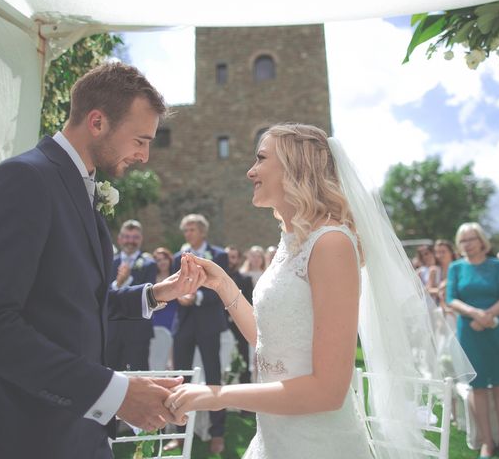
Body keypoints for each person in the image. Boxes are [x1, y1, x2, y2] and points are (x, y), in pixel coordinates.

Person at [163, 123, 473, 459]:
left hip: (317, 443)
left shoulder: (331, 243)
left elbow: (328, 391)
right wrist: (222, 284)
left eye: (261, 158)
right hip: (275, 436)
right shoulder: (291, 242)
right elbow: (270, 340)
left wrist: (216, 394)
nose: (251, 170)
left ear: (295, 166)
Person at [0, 62, 202, 458]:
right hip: (26, 433)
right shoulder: (24, 180)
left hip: (80, 433)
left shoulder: (79, 185)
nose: (145, 156)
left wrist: (152, 294)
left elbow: (67, 300)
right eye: (140, 140)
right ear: (97, 122)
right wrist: (112, 393)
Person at [447, 223, 499, 459]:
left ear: (482, 241)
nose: (466, 244)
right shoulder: (456, 268)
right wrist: (475, 314)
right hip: (469, 330)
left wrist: (487, 316)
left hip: (495, 329)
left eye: (471, 239)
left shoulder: (496, 265)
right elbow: (451, 299)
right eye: (462, 240)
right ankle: (487, 442)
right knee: (478, 387)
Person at [165, 213, 229, 454]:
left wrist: (197, 297)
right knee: (180, 378)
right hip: (184, 324)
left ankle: (217, 434)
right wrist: (179, 296)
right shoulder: (176, 257)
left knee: (213, 377)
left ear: (203, 231)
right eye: (186, 229)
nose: (188, 233)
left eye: (192, 229)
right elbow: (173, 286)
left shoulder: (218, 255)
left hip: (209, 324)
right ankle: (180, 434)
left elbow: (223, 288)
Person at [107, 219, 157, 372]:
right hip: (112, 329)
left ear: (140, 239)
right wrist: (118, 283)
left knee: (139, 373)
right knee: (110, 373)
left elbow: (148, 295)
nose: (130, 241)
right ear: (120, 239)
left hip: (138, 330)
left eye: (135, 237)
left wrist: (127, 280)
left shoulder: (149, 264)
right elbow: (103, 294)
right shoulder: (109, 261)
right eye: (127, 237)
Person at [226, 245, 254, 385]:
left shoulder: (245, 279)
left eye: (233, 257)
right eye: (227, 257)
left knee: (244, 362)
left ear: (238, 259)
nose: (230, 261)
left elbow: (249, 303)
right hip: (221, 327)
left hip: (240, 327)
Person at [151, 247, 179, 333]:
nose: (162, 262)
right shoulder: (151, 278)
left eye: (165, 259)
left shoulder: (177, 277)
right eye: (158, 260)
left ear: (170, 260)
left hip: (173, 316)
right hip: (155, 316)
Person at [433, 239, 457, 307]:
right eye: (437, 252)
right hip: (440, 309)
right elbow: (427, 290)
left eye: (443, 252)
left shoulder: (459, 268)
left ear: (451, 252)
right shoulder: (434, 270)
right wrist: (440, 290)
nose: (440, 255)